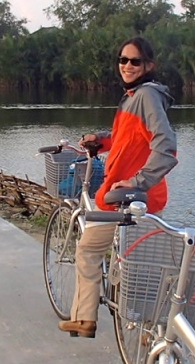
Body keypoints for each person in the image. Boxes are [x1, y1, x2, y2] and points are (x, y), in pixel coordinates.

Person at [58, 37, 178, 338]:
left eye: (134, 61)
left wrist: (138, 182)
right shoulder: (136, 95)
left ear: (149, 65)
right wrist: (101, 140)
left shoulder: (145, 97)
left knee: (87, 251)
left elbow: (166, 147)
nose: (127, 65)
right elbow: (131, 137)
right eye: (122, 60)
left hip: (124, 200)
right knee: (139, 261)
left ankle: (84, 318)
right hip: (143, 198)